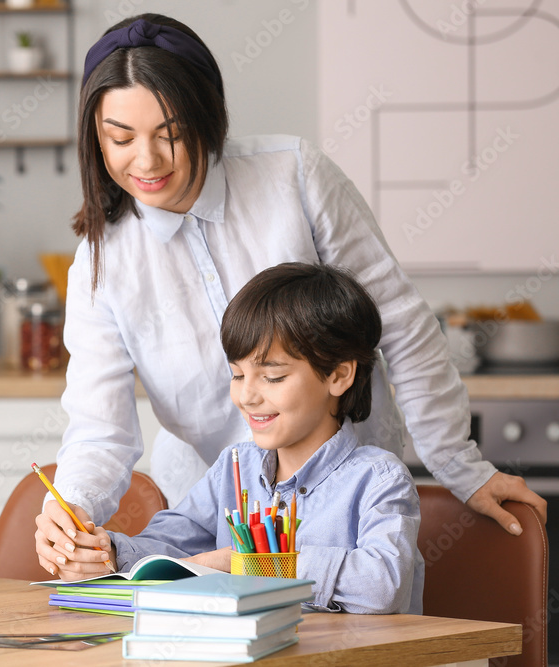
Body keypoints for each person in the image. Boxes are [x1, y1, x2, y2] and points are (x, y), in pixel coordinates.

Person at [35, 13, 545, 577]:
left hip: (339, 502)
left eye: (170, 133)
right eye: (121, 138)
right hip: (220, 509)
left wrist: (459, 464)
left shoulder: (292, 176)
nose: (147, 161)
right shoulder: (101, 263)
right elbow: (99, 427)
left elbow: (398, 321)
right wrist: (73, 509)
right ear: (96, 137)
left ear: (207, 118)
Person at [49, 263, 423, 614]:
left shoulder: (379, 479)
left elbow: (382, 585)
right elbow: (167, 544)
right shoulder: (235, 467)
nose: (247, 396)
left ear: (339, 376)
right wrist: (105, 551)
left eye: (273, 377)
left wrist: (246, 562)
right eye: (237, 375)